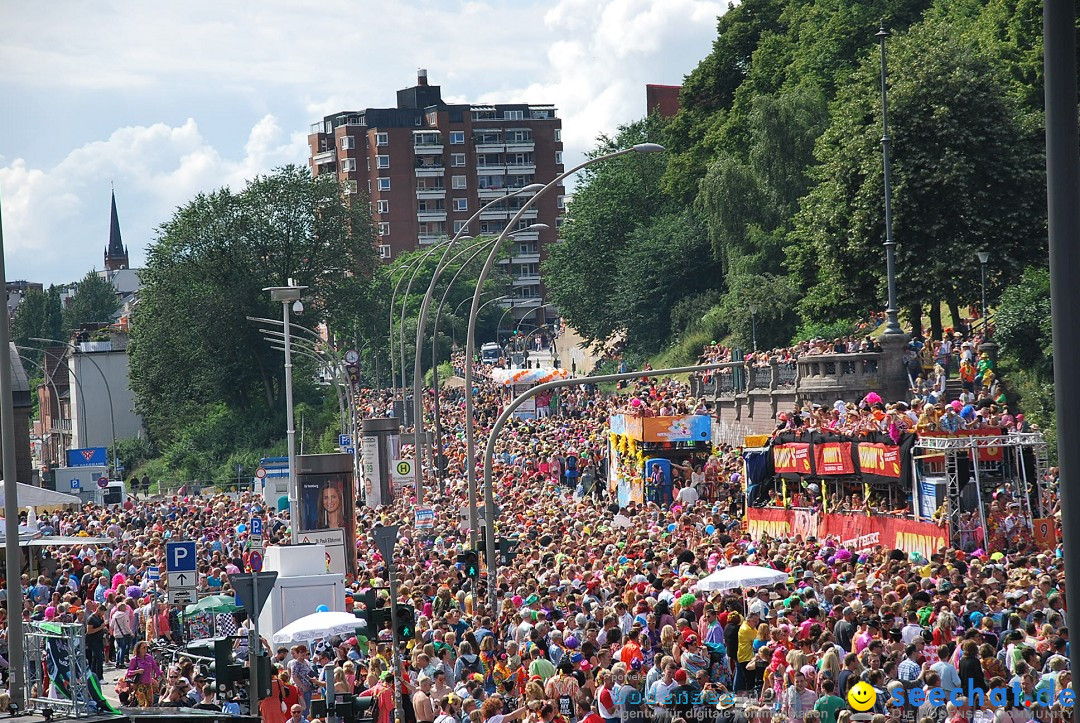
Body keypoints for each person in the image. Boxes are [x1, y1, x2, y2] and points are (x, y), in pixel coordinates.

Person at [126, 640, 162, 707]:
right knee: (142, 703)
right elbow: (128, 672)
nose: (146, 649)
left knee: (150, 702)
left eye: (146, 647)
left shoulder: (149, 657)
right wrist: (137, 671)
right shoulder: (135, 659)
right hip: (139, 684)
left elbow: (156, 668)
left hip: (148, 684)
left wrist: (163, 678)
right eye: (143, 647)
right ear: (139, 649)